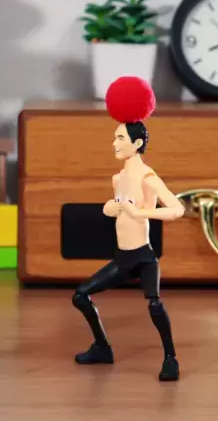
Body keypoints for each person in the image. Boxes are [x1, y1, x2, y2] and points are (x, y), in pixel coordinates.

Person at [72, 76, 184, 382]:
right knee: (81, 295)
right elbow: (118, 207)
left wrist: (140, 212)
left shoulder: (148, 177)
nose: (114, 143)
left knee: (154, 305)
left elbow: (177, 209)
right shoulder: (118, 179)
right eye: (114, 137)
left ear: (136, 143)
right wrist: (109, 209)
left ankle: (171, 358)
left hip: (143, 257)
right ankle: (102, 347)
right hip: (123, 258)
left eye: (120, 138)